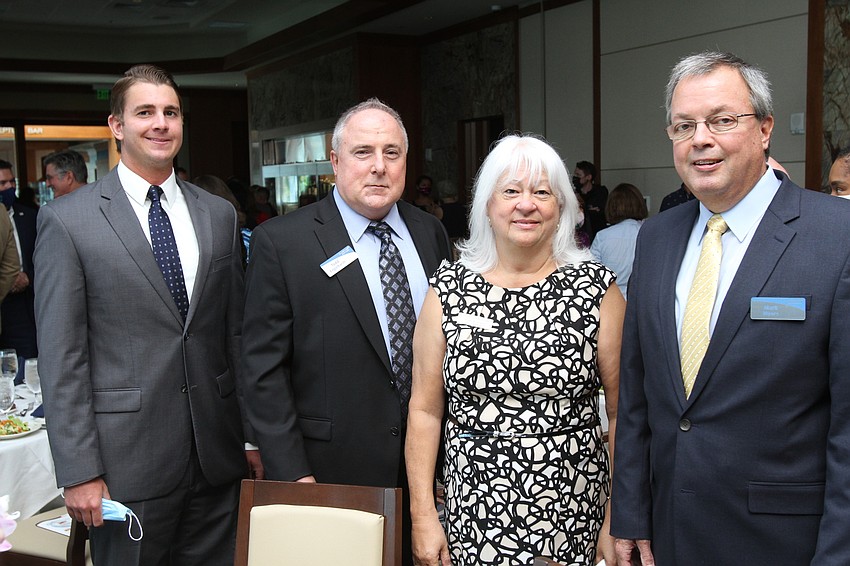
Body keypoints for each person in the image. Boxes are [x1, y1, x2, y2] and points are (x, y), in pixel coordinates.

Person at [611, 51, 850, 566]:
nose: (700, 139)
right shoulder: (657, 237)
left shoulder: (836, 236)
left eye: (721, 120)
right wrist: (630, 511)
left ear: (765, 129)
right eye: (684, 126)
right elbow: (637, 394)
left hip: (784, 544)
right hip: (669, 536)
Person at [34, 64, 260, 566]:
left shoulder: (217, 214)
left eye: (171, 112)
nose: (161, 123)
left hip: (217, 458)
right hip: (125, 468)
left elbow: (235, 336)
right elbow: (61, 357)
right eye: (145, 112)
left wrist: (249, 434)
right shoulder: (68, 221)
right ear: (116, 125)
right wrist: (79, 470)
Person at [241, 98, 452, 566]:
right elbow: (262, 370)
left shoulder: (430, 233)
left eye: (392, 152)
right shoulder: (284, 242)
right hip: (329, 474)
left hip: (429, 476)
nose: (379, 166)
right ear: (335, 162)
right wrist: (293, 476)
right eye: (363, 152)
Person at [406, 134, 624, 566]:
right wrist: (423, 516)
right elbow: (425, 411)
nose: (526, 205)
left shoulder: (597, 290)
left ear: (562, 207)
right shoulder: (448, 290)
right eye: (510, 191)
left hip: (573, 516)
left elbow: (623, 414)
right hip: (472, 519)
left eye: (542, 192)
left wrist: (617, 516)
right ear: (487, 205)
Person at [0, 160, 38, 366]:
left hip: (23, 304)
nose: (9, 187)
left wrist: (28, 277)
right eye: (2, 183)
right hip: (3, 299)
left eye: (11, 182)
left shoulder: (30, 216)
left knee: (24, 364)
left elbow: (45, 258)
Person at [590, 183, 647, 299]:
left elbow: (592, 274)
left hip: (610, 300)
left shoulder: (602, 236)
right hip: (641, 300)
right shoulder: (649, 233)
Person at [573, 160, 608, 237]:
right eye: (575, 174)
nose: (575, 177)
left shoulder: (600, 192)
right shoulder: (573, 193)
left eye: (578, 175)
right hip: (580, 236)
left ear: (588, 177)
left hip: (598, 233)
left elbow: (600, 212)